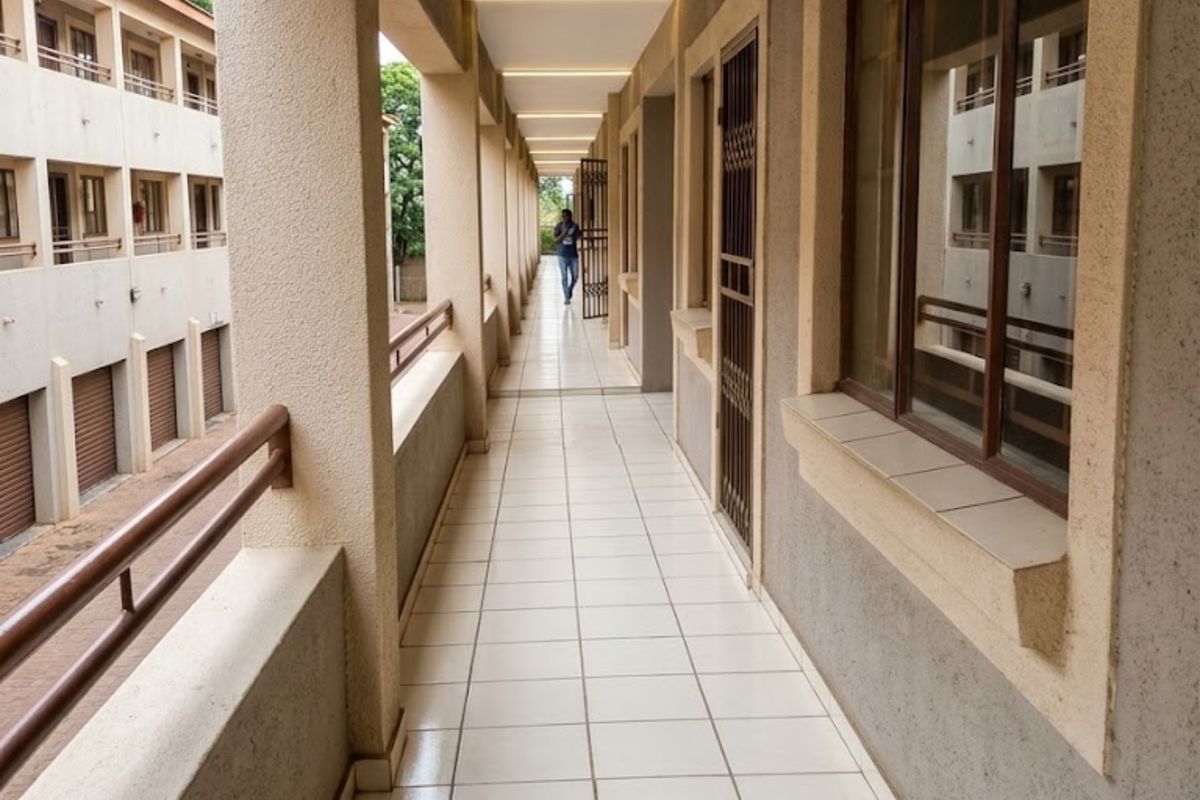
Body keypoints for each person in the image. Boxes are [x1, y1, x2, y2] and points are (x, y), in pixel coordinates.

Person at [553, 209, 581, 304]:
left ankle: (569, 290)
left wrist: (577, 237)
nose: (564, 218)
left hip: (573, 255)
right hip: (562, 255)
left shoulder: (575, 226)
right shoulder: (559, 226)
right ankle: (567, 297)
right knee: (564, 277)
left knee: (575, 276)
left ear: (570, 216)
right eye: (563, 216)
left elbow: (579, 236)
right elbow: (555, 240)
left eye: (566, 216)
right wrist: (563, 234)